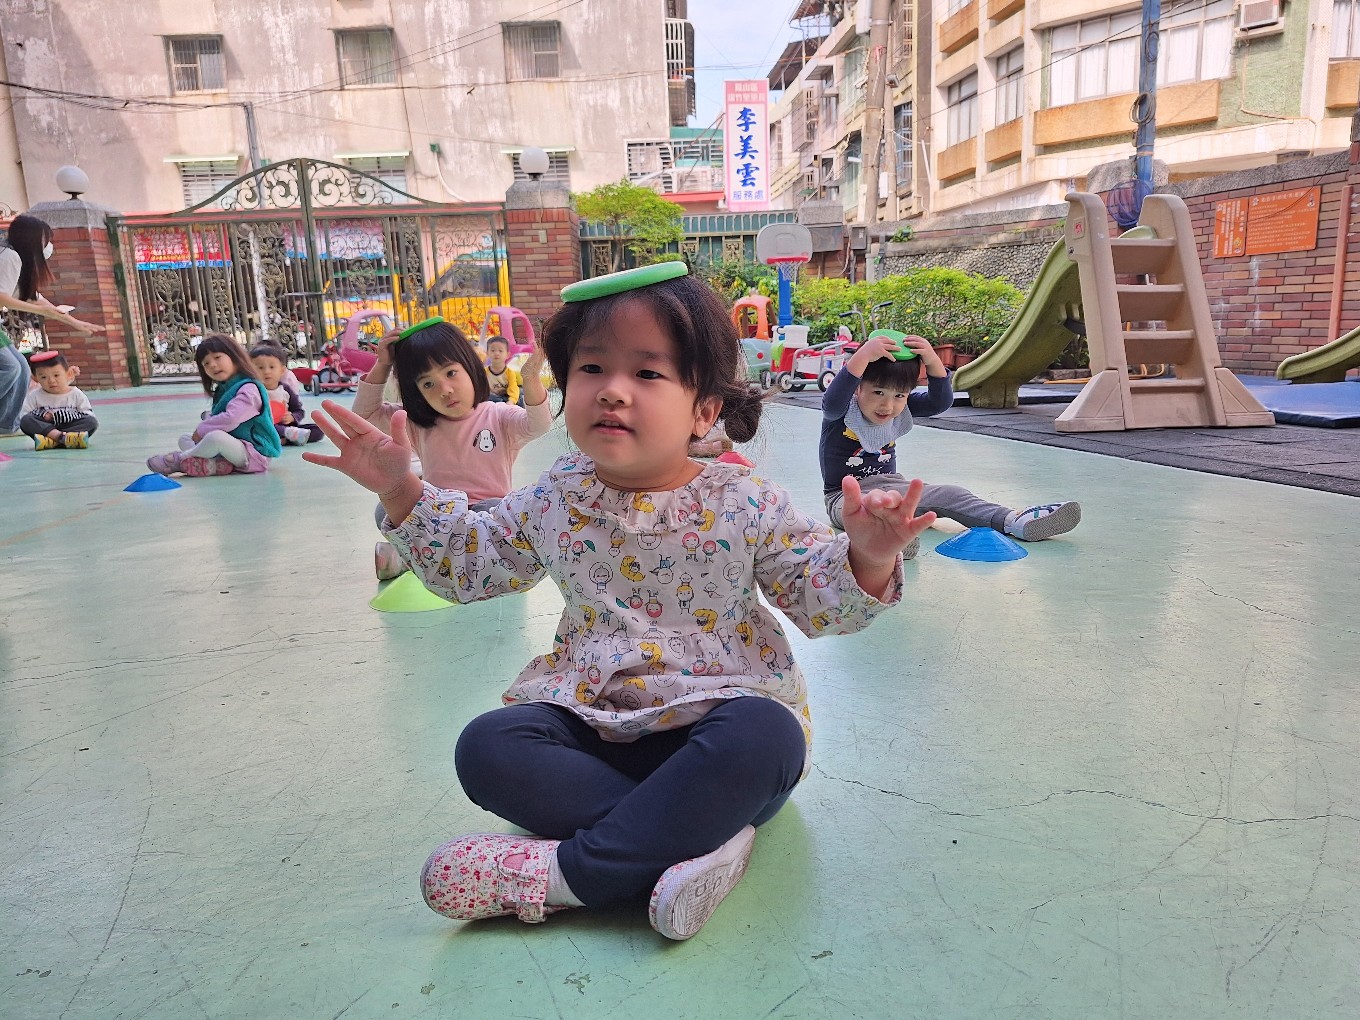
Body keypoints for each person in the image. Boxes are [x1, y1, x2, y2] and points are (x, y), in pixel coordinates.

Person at [303, 263, 933, 940]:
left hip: (718, 734)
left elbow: (817, 597)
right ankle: (694, 840)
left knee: (766, 736)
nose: (611, 390)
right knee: (487, 746)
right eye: (591, 368)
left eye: (648, 372)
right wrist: (401, 490)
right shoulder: (558, 496)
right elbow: (472, 564)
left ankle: (570, 876)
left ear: (704, 410)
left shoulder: (744, 501)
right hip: (596, 728)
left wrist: (869, 555)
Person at [822, 331, 1080, 555]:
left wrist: (933, 361)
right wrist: (862, 357)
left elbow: (939, 402)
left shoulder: (902, 407)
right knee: (872, 506)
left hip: (895, 488)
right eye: (878, 392)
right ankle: (890, 537)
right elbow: (831, 402)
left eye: (899, 395)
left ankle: (1013, 520)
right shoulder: (843, 409)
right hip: (845, 498)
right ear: (858, 387)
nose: (887, 405)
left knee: (951, 493)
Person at [353, 318, 550, 580]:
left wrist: (531, 378)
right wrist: (383, 364)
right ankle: (408, 559)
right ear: (417, 393)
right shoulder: (418, 423)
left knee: (496, 512)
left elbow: (538, 424)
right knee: (385, 509)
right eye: (428, 384)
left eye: (450, 373)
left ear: (470, 367)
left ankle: (415, 560)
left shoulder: (498, 415)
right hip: (437, 518)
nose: (445, 390)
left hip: (485, 519)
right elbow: (365, 417)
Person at [0, 214, 103, 436]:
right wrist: (43, 311)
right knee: (11, 368)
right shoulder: (9, 256)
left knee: (22, 368)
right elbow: (2, 298)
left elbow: (34, 298)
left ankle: (6, 424)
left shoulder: (17, 260)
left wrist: (74, 322)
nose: (47, 245)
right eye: (44, 239)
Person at [145, 334, 281, 477]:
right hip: (232, 449)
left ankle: (180, 460)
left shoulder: (249, 389)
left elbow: (231, 418)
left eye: (217, 357)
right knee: (185, 438)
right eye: (206, 363)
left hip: (254, 454)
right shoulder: (224, 389)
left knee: (215, 438)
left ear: (234, 356)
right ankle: (216, 465)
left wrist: (202, 429)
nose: (213, 365)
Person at [19, 350, 98, 449]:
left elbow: (87, 413)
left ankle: (52, 441)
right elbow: (26, 415)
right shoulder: (34, 396)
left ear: (68, 374)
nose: (51, 381)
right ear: (35, 378)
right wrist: (43, 414)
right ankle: (61, 438)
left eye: (56, 375)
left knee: (91, 422)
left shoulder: (76, 394)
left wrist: (64, 416)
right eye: (43, 377)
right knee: (26, 421)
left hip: (70, 426)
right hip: (46, 428)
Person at [249, 344, 323, 446]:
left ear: (282, 370)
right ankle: (285, 436)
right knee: (258, 428)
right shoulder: (252, 390)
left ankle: (284, 438)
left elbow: (299, 411)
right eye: (260, 368)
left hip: (285, 426)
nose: (267, 372)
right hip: (263, 427)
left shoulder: (285, 390)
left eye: (272, 367)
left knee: (319, 429)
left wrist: (292, 417)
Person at [483, 335, 522, 405]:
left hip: (506, 399)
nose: (496, 353)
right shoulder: (484, 372)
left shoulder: (510, 373)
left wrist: (511, 401)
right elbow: (481, 388)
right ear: (487, 353)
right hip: (491, 399)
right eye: (492, 350)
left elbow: (513, 389)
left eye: (500, 351)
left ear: (507, 354)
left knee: (521, 394)